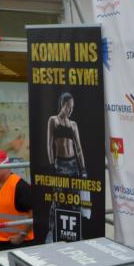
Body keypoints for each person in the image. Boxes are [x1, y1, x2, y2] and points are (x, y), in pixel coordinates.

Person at [46, 92, 89, 241]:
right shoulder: (53, 120)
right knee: (57, 199)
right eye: (68, 106)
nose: (70, 110)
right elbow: (49, 144)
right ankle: (52, 232)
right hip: (60, 164)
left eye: (72, 108)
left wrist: (83, 169)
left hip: (73, 165)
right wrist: (52, 164)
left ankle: (77, 233)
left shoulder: (73, 124)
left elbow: (79, 149)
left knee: (75, 200)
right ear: (62, 104)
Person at [0, 150, 34, 250]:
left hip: (16, 243)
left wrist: (22, 235)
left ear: (6, 166)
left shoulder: (20, 186)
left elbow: (35, 213)